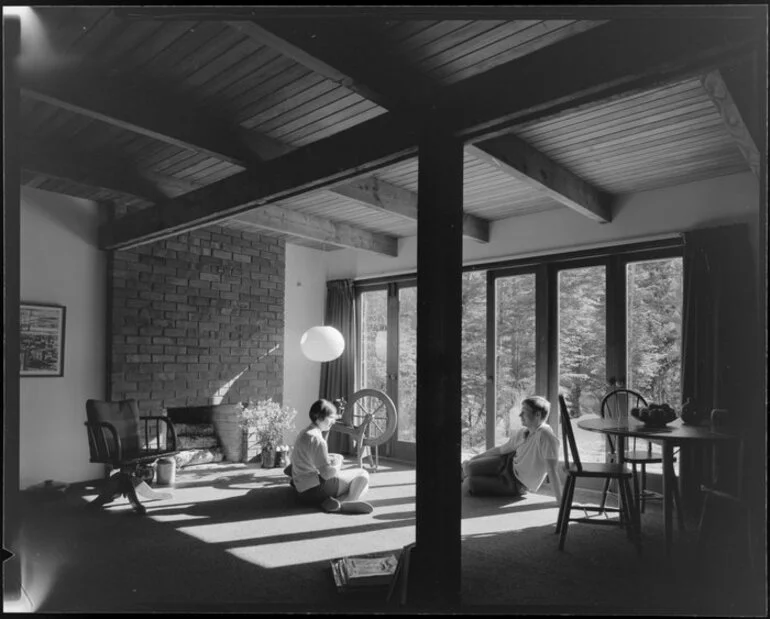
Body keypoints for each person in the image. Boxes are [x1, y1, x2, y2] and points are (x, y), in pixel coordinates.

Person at [462, 396, 562, 503]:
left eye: (524, 412)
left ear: (537, 414)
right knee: (469, 467)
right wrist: (475, 458)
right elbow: (500, 450)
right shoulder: (524, 432)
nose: (520, 415)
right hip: (506, 463)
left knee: (469, 483)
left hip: (515, 483)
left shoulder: (546, 437)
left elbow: (552, 470)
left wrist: (560, 501)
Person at [287, 398, 374, 514]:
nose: (333, 421)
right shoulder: (318, 440)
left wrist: (330, 459)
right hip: (315, 490)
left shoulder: (303, 433)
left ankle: (331, 501)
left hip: (301, 491)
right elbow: (327, 474)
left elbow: (308, 459)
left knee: (361, 485)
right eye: (331, 418)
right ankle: (345, 502)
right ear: (320, 418)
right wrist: (337, 464)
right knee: (363, 475)